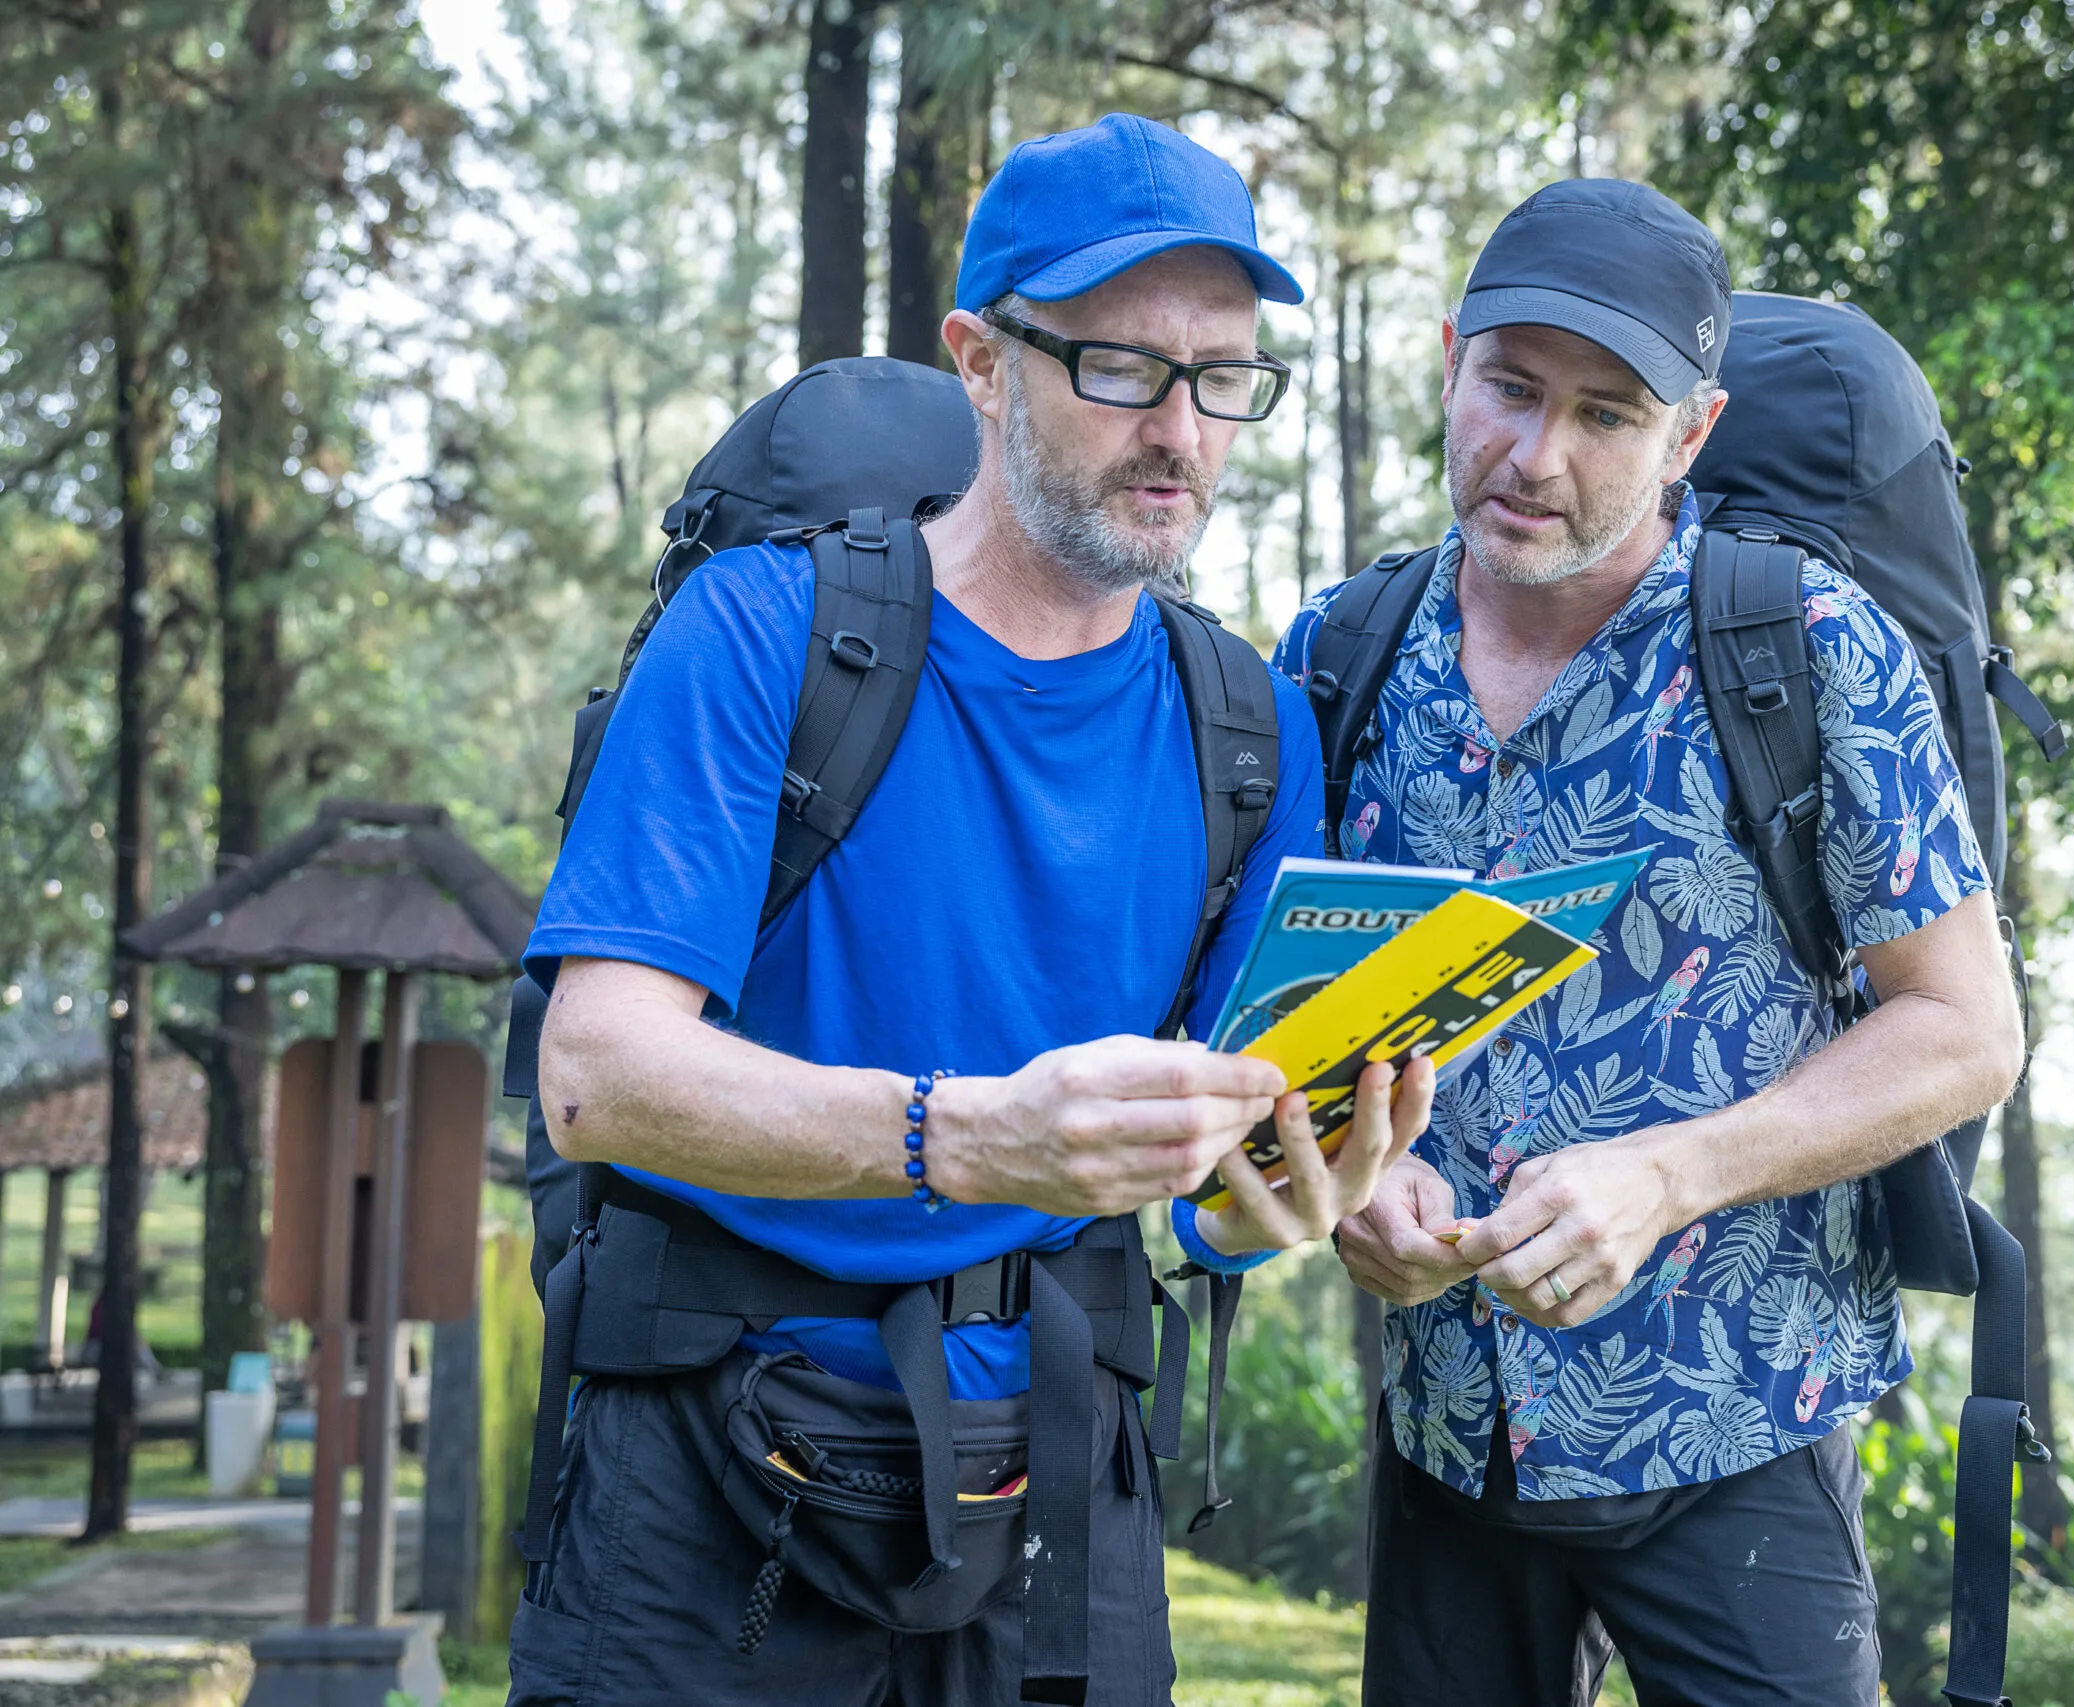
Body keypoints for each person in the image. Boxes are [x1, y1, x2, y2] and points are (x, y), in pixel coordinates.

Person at [508, 113, 1432, 1707]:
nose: (1183, 433)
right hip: (701, 1466)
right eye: (1124, 368)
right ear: (983, 361)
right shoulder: (766, 632)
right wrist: (973, 1138)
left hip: (1054, 1487)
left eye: (1223, 377)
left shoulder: (1249, 732)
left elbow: (1211, 1180)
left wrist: (1297, 1197)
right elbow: (598, 1074)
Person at [1282, 179, 2025, 1706]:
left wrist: (1672, 1170)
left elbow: (1964, 1029)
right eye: (1510, 388)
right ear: (1447, 360)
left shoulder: (1805, 646)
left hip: (1737, 1418)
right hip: (1446, 1425)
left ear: (1691, 433)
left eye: (1607, 414)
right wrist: (1355, 1171)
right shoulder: (1338, 655)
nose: (1536, 457)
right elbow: (1282, 1016)